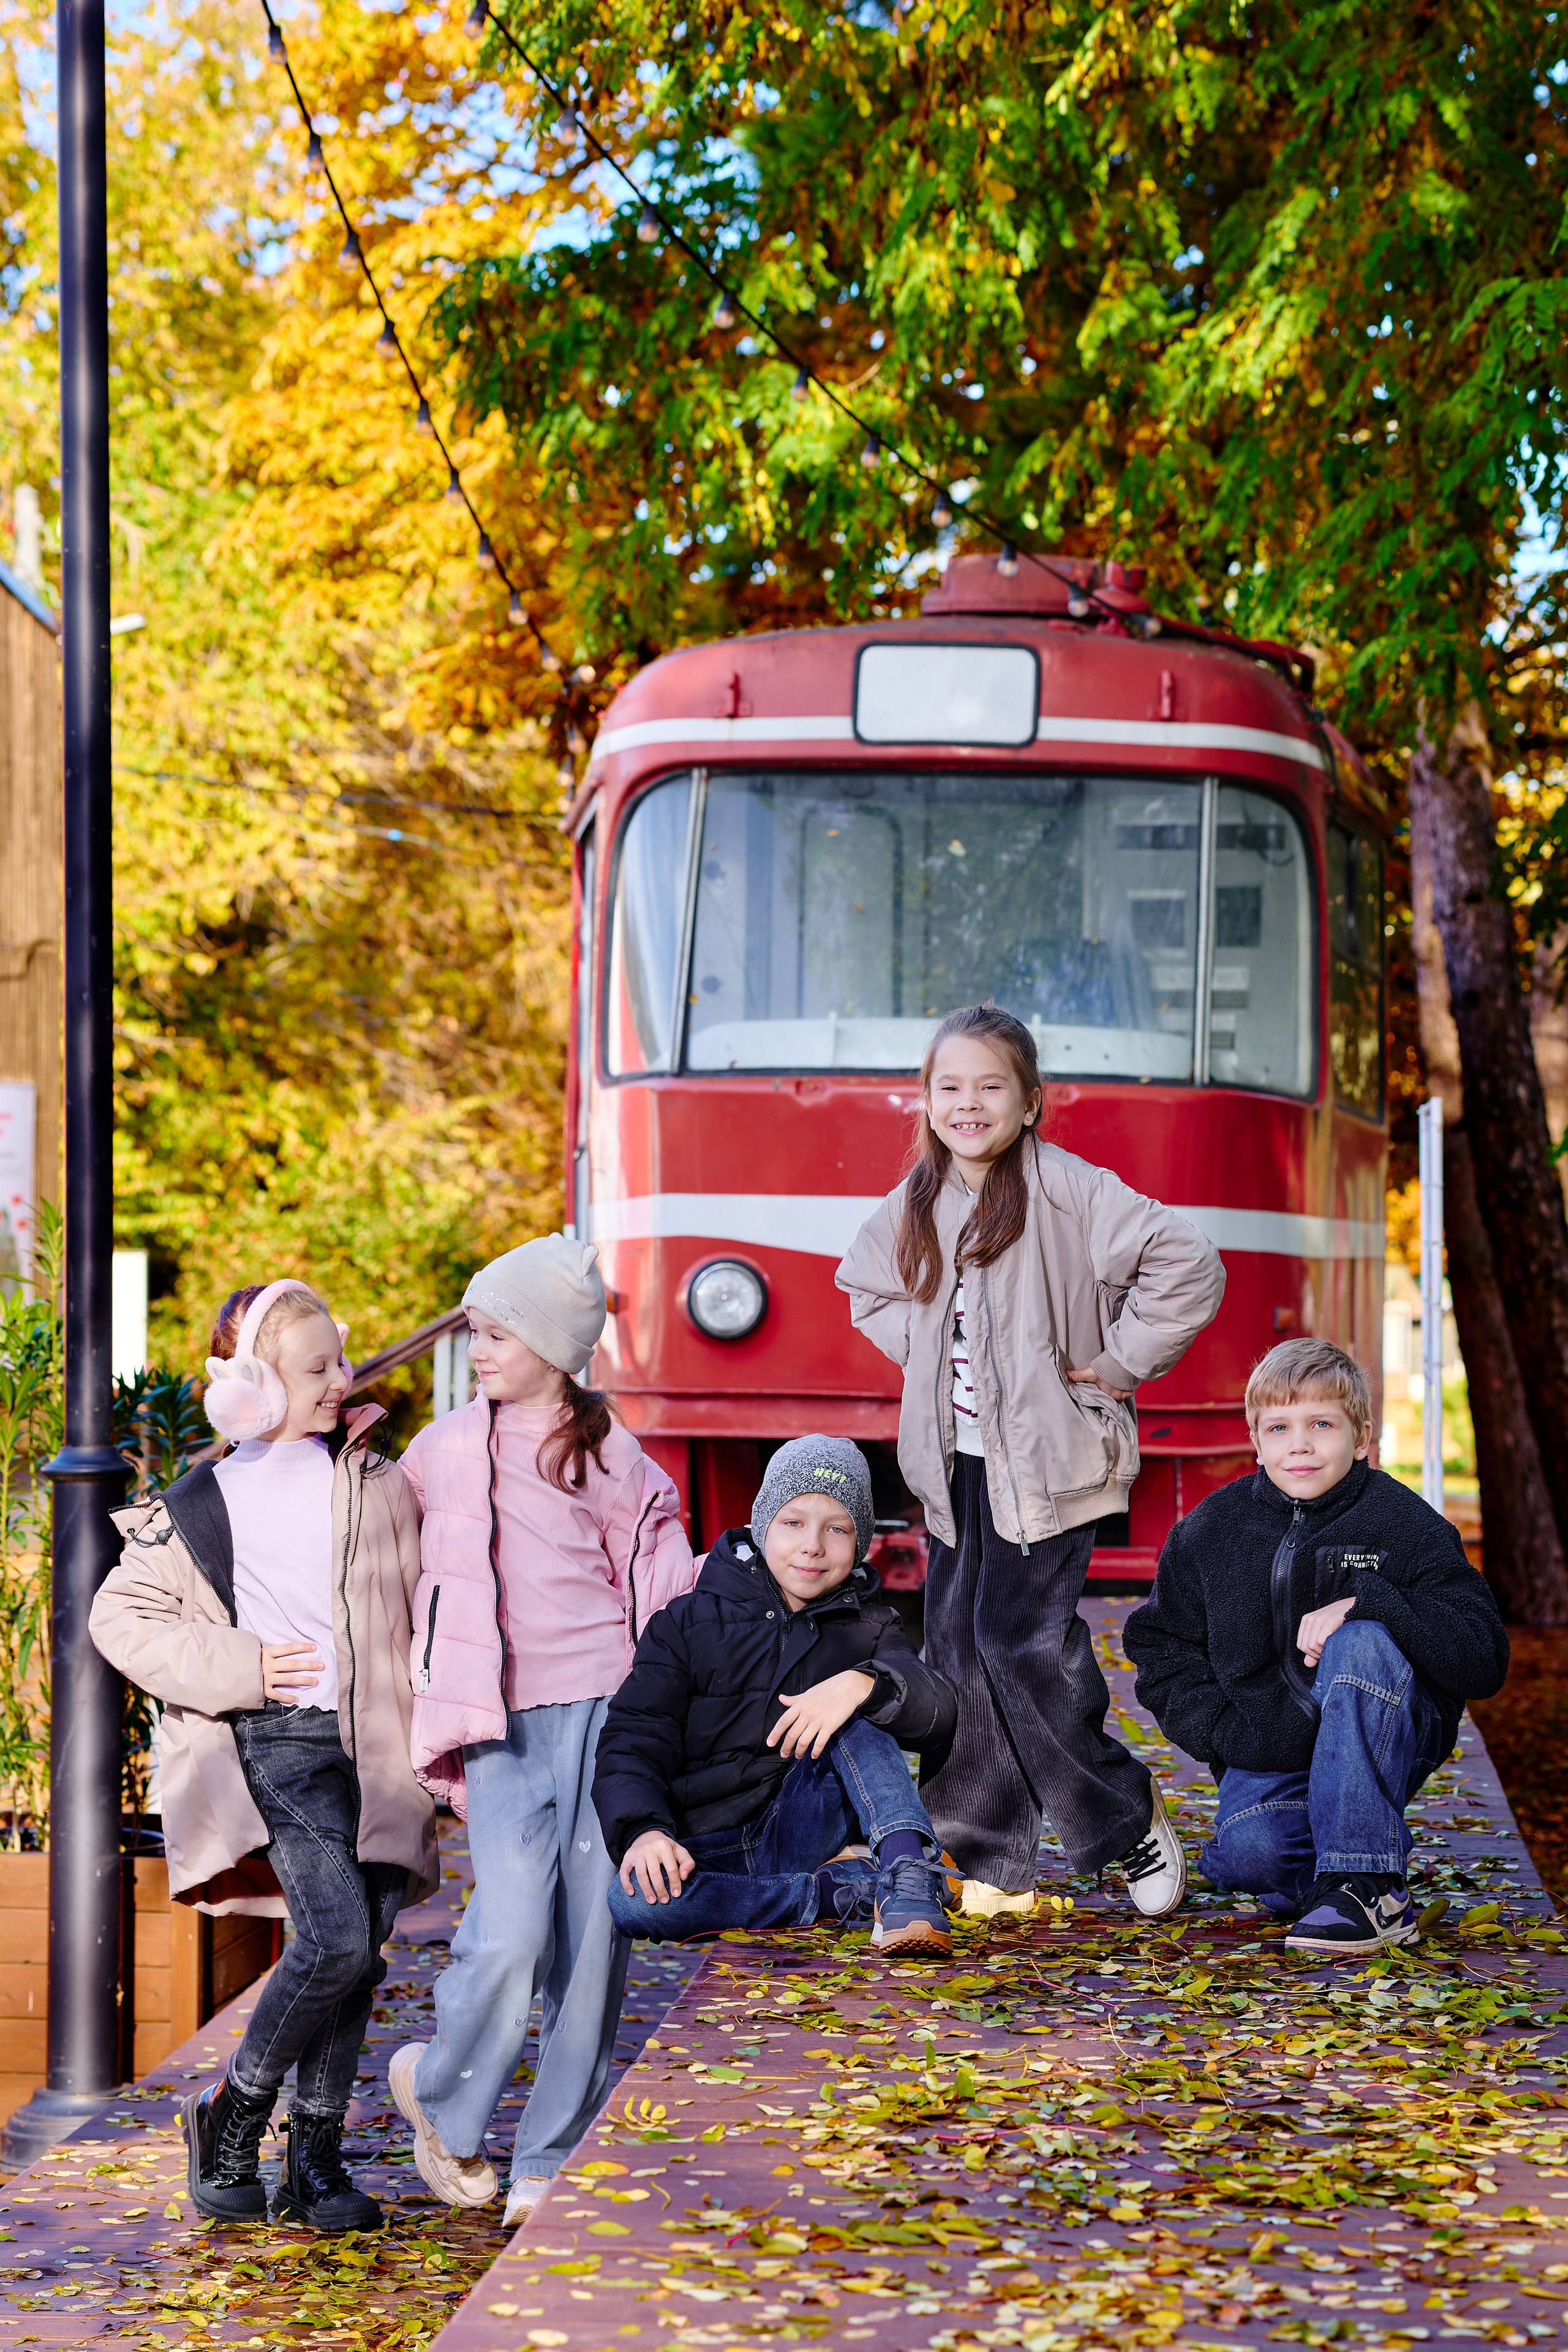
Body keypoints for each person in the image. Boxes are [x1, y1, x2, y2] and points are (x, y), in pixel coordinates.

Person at [837, 1003, 1225, 1921]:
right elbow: (864, 1288)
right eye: (949, 1087)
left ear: (1030, 1102)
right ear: (927, 1101)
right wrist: (927, 1356)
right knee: (957, 1650)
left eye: (990, 1087)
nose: (968, 1104)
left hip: (1049, 1465)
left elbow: (1190, 1265)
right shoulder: (919, 1200)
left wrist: (1121, 1363)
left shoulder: (1070, 1191)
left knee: (1021, 1643)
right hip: (954, 1467)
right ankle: (985, 1857)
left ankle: (1124, 1816)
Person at [90, 1279, 437, 2234]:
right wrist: (241, 1664)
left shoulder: (376, 1481)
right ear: (253, 1387)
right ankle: (232, 2111)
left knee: (360, 1956)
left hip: (377, 1744)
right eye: (316, 1368)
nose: (342, 1380)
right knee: (336, 1939)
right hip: (275, 1746)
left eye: (341, 1360)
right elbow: (120, 1618)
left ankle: (313, 2163)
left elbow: (427, 1604)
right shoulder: (199, 1502)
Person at [388, 1235, 695, 2233]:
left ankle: (551, 2153)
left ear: (556, 1348)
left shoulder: (609, 1452)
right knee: (513, 1932)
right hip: (501, 1724)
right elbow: (375, 1551)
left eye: (496, 1333)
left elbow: (660, 1580)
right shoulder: (440, 1450)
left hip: (608, 1718)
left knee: (595, 1944)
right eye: (474, 1331)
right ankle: (442, 2095)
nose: (477, 1349)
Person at [1122, 1336, 1510, 1953]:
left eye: (1322, 1424)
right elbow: (1162, 1648)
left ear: (1361, 1438)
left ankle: (1369, 1884)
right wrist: (1227, 1734)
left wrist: (1369, 1601)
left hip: (1383, 1734)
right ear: (1256, 1442)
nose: (1299, 1444)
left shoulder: (1406, 1524)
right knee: (1255, 1859)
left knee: (1363, 1641)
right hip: (1265, 1749)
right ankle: (1327, 1877)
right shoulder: (1210, 1530)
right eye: (1279, 1428)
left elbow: (1483, 1656)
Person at [595, 1435, 960, 1956]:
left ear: (860, 1543)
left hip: (806, 1823)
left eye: (837, 1529)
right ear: (761, 1524)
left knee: (861, 1704)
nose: (812, 1545)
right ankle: (842, 1894)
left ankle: (909, 1873)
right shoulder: (687, 1622)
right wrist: (644, 1831)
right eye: (793, 1523)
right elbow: (633, 1739)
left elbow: (938, 1711)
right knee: (634, 1902)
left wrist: (862, 1684)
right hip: (711, 1845)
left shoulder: (871, 1627)